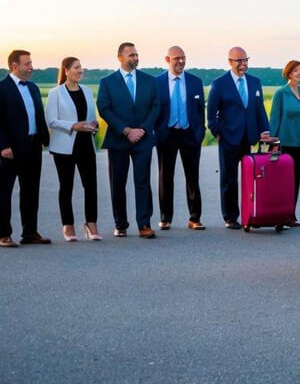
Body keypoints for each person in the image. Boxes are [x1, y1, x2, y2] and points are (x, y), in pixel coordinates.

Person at [0, 49, 51, 247]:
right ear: (14, 66)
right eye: (27, 64)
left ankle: (30, 233)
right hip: (10, 149)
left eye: (31, 63)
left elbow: (38, 116)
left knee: (31, 192)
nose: (31, 67)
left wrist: (43, 140)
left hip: (33, 147)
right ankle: (2, 235)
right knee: (4, 192)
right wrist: (3, 145)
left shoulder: (33, 88)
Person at [96, 42, 160, 238]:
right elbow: (104, 108)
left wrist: (142, 129)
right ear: (120, 57)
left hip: (143, 139)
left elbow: (156, 106)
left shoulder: (149, 81)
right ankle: (120, 224)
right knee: (118, 182)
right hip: (118, 139)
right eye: (131, 55)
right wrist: (125, 130)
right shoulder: (108, 82)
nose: (135, 58)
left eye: (136, 54)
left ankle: (144, 224)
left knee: (142, 181)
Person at [207, 46, 273, 229]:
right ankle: (230, 217)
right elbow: (211, 115)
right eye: (239, 61)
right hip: (228, 139)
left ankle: (249, 213)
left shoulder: (254, 82)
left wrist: (265, 130)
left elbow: (259, 109)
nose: (243, 64)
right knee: (229, 179)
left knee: (250, 179)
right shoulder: (219, 84)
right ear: (230, 62)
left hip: (249, 138)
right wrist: (218, 133)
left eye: (245, 60)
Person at [45, 57, 100, 242]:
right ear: (66, 70)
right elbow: (51, 121)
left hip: (86, 144)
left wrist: (94, 126)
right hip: (64, 147)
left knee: (91, 186)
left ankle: (91, 223)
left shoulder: (87, 91)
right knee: (66, 186)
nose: (80, 70)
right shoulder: (55, 93)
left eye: (81, 67)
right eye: (77, 67)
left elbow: (90, 117)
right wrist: (74, 126)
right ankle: (68, 225)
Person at [154, 46, 206, 230]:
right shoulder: (157, 82)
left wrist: (200, 131)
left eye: (183, 58)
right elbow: (154, 110)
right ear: (167, 60)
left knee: (193, 177)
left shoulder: (195, 81)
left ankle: (194, 217)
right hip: (166, 135)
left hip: (189, 134)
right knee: (165, 177)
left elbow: (200, 109)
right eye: (177, 58)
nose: (181, 61)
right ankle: (165, 217)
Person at [269, 60, 300, 228]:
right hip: (285, 141)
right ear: (289, 73)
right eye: (296, 70)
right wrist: (273, 138)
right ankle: (279, 214)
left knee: (296, 177)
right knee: (283, 179)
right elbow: (275, 117)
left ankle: (290, 214)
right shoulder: (281, 93)